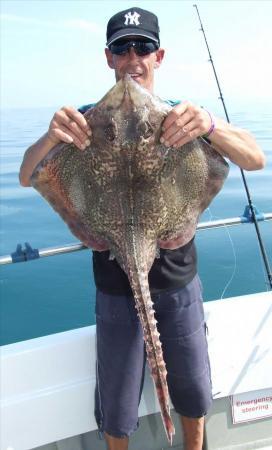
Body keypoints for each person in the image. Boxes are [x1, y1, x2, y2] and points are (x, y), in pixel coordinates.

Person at [19, 7, 265, 450]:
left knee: (191, 388)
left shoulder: (179, 116)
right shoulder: (84, 122)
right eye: (122, 47)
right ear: (109, 57)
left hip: (177, 282)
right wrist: (50, 138)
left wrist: (208, 124)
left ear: (159, 55)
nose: (134, 57)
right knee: (117, 404)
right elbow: (28, 174)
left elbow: (255, 158)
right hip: (114, 285)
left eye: (144, 46)